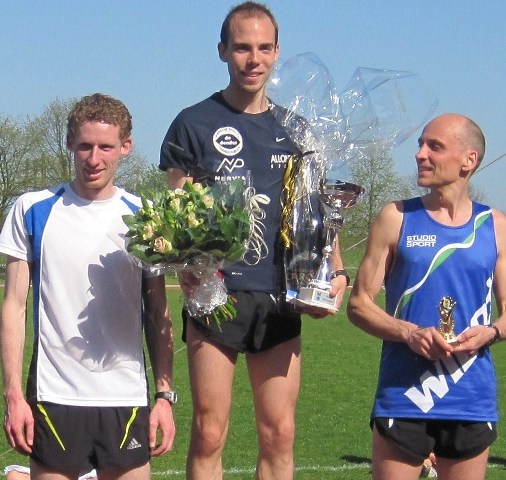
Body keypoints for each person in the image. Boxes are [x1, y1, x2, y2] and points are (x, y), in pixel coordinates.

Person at [159, 2, 348, 478]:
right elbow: (175, 213)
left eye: (264, 47)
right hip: (215, 296)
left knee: (279, 432)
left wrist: (336, 272)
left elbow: (317, 215)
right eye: (242, 47)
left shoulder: (299, 129)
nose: (253, 58)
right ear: (223, 50)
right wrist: (185, 258)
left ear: (277, 52)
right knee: (208, 430)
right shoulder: (193, 123)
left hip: (281, 296)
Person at [0, 93, 176, 480]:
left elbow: (159, 313)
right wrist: (13, 394)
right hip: (54, 396)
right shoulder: (32, 209)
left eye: (105, 147)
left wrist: (164, 396)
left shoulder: (145, 218)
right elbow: (13, 305)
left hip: (125, 398)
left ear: (126, 147)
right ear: (69, 143)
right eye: (84, 146)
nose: (93, 159)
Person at [347, 113, 506, 480]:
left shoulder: (495, 226)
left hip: (470, 397)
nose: (420, 154)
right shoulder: (396, 217)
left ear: (469, 160)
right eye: (421, 144)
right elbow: (358, 305)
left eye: (434, 146)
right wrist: (409, 333)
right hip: (405, 395)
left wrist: (491, 333)